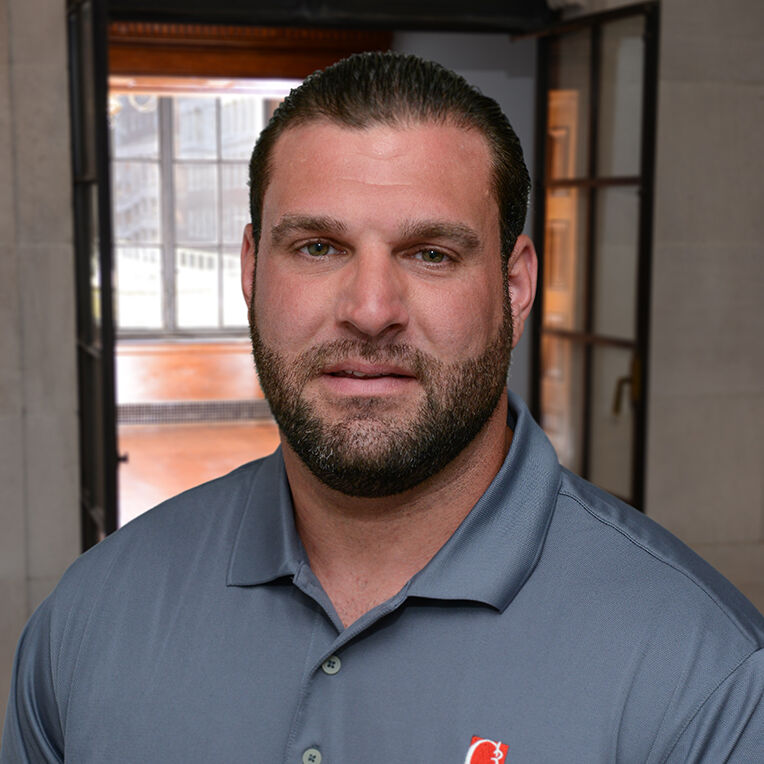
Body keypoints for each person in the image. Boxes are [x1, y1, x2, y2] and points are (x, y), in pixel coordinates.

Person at [2, 52, 763, 763]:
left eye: (431, 254)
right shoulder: (88, 618)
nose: (370, 311)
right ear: (251, 270)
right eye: (318, 247)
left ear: (514, 287)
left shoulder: (708, 679)